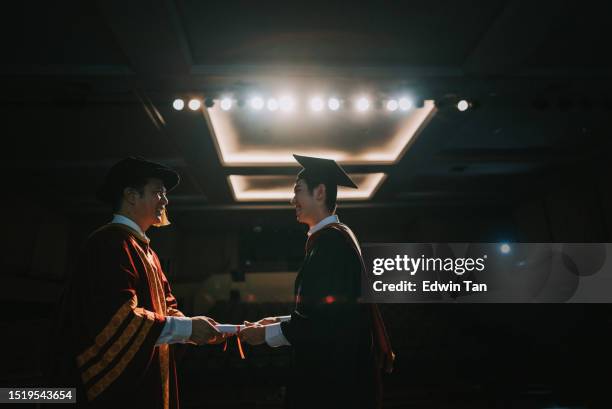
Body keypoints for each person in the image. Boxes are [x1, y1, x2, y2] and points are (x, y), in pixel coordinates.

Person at [48, 157, 225, 409]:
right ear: (131, 196)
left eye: (164, 194)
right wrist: (186, 329)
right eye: (157, 192)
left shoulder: (145, 250)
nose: (165, 201)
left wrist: (194, 330)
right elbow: (117, 319)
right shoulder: (110, 244)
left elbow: (166, 307)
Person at [239, 155, 394, 409]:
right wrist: (279, 321)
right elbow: (326, 313)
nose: (292, 200)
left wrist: (267, 334)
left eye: (297, 191)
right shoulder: (332, 240)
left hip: (333, 387)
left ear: (320, 192)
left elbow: (325, 324)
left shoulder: (331, 244)